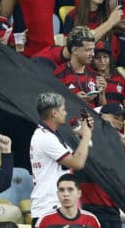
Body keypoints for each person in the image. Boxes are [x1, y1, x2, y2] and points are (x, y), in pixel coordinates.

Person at [30, 92, 94, 225]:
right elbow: (77, 163)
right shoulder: (45, 137)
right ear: (54, 113)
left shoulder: (50, 134)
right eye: (63, 110)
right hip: (49, 208)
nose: (66, 113)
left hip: (54, 207)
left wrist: (83, 133)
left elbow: (78, 154)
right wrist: (87, 134)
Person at [53, 26, 105, 108]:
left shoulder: (95, 76)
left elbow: (103, 108)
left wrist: (102, 93)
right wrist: (74, 101)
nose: (93, 54)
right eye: (88, 50)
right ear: (75, 50)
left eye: (93, 49)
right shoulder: (59, 75)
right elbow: (53, 109)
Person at [35, 174, 101, 228]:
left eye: (70, 190)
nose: (65, 194)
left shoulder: (91, 219)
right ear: (57, 194)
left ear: (79, 193)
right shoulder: (45, 220)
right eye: (61, 190)